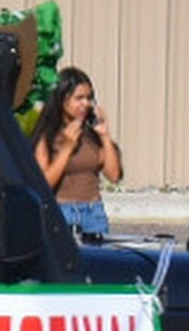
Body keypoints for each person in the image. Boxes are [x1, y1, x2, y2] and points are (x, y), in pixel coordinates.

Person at [33, 65, 122, 237]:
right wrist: (67, 147)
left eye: (89, 98)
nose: (85, 104)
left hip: (93, 213)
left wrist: (104, 136)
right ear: (61, 100)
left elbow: (114, 175)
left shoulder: (91, 136)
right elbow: (43, 184)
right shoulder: (48, 137)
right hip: (61, 213)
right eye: (79, 98)